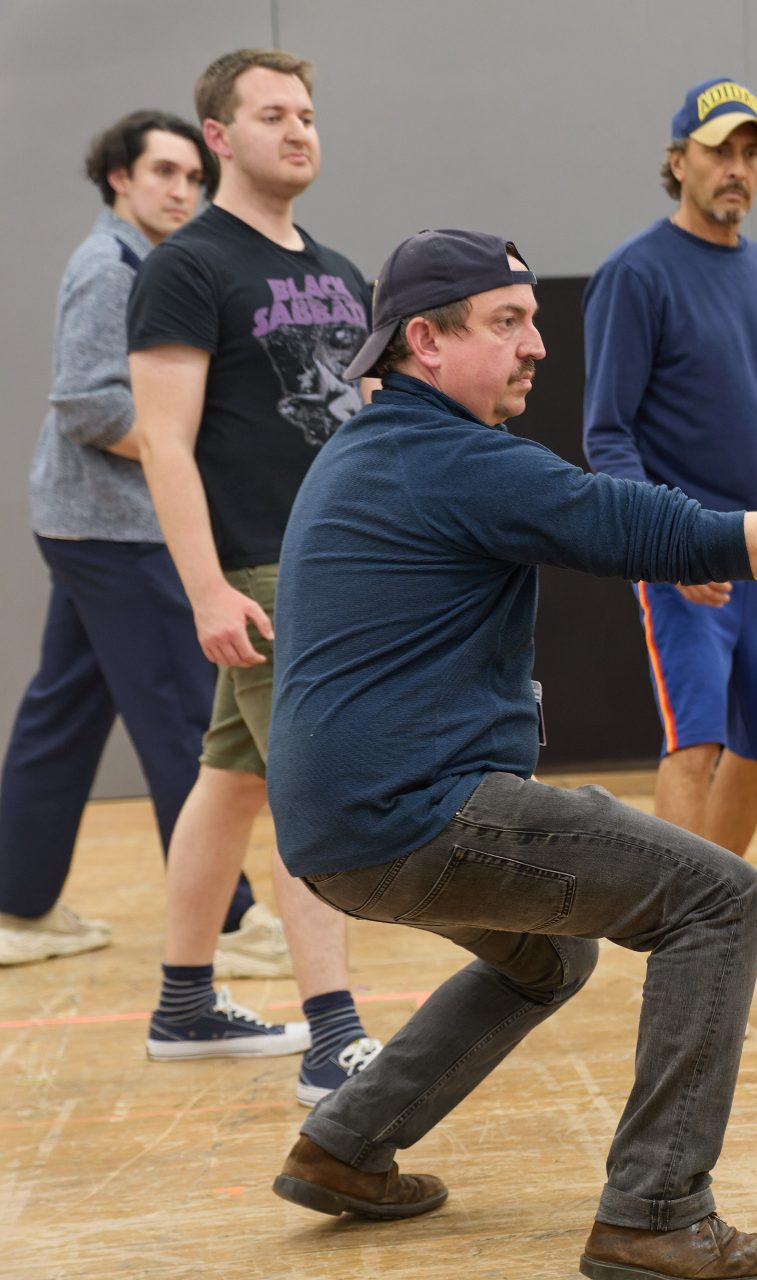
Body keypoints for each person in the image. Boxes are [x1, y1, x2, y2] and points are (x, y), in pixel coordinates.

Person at [264, 228, 757, 1280]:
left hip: (335, 828)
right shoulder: (455, 458)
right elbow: (669, 528)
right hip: (411, 813)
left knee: (548, 952)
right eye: (508, 323)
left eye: (535, 320)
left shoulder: (373, 447)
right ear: (423, 340)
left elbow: (649, 531)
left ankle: (343, 1143)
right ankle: (655, 1211)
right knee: (719, 898)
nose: (537, 347)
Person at [129, 48, 375, 1102]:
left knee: (228, 780)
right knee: (311, 793)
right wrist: (207, 588)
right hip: (266, 571)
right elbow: (162, 439)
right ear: (219, 138)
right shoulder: (188, 266)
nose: (300, 129)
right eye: (272, 113)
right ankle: (335, 1034)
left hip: (331, 562)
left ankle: (186, 1001)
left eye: (309, 112)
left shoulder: (336, 267)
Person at [0, 110, 288, 976]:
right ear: (118, 178)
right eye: (163, 172)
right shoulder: (106, 267)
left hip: (96, 523)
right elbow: (87, 405)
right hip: (109, 531)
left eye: (193, 178)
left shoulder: (151, 262)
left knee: (65, 711)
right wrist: (190, 439)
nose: (181, 190)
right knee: (174, 708)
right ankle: (230, 923)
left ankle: (15, 905)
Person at [583, 77, 757, 970]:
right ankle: (679, 935)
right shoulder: (635, 274)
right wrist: (665, 542)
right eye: (719, 150)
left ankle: (720, 911)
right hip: (688, 554)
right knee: (696, 741)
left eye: (750, 152)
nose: (736, 168)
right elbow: (606, 433)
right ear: (677, 159)